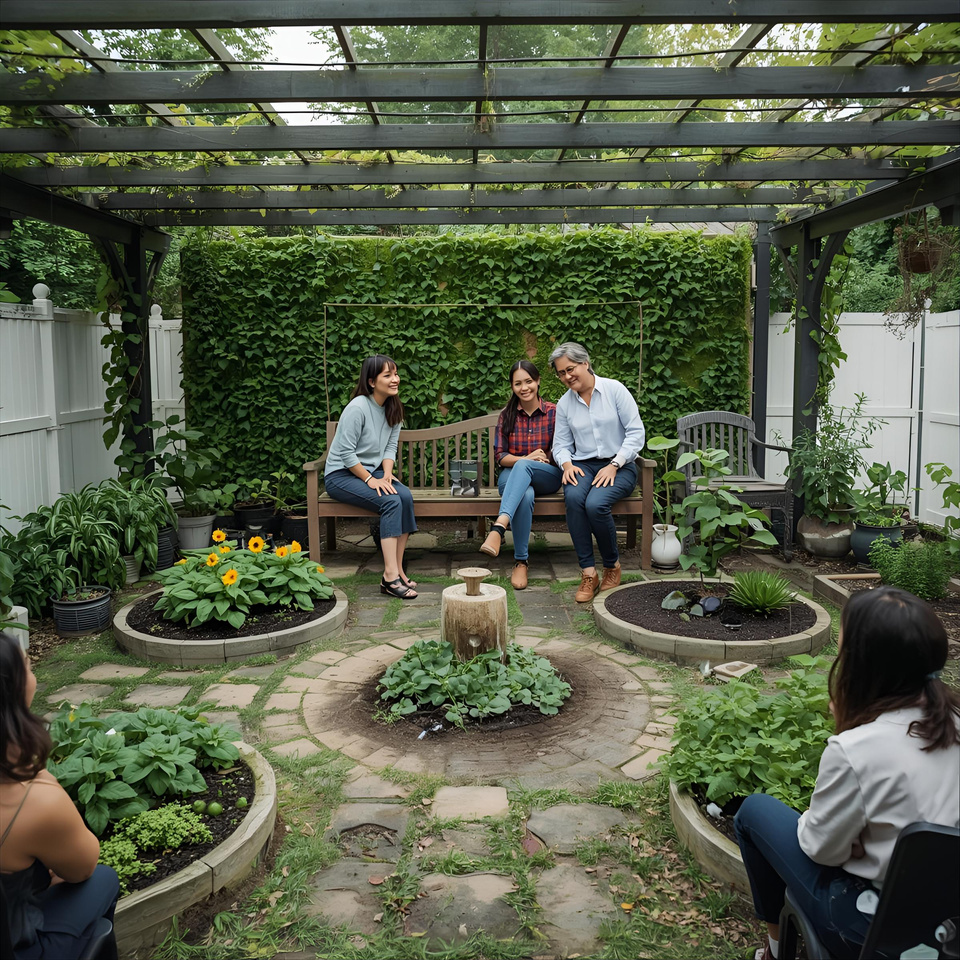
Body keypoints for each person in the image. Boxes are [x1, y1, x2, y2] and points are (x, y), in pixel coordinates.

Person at [734, 587, 960, 960]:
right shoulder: (951, 721)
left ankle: (775, 951)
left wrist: (845, 843)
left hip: (868, 928)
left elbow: (821, 850)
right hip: (948, 924)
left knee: (753, 812)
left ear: (863, 667)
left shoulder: (858, 749)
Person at [0, 630, 120, 960]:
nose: (31, 662)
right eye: (26, 662)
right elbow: (82, 866)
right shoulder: (32, 798)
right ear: (13, 687)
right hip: (20, 947)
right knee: (103, 878)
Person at [549, 342, 646, 602]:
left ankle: (612, 566)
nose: (567, 377)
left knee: (595, 504)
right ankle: (588, 573)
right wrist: (566, 464)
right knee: (573, 498)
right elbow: (560, 444)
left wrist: (615, 464)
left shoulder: (615, 390)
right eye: (561, 373)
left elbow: (636, 434)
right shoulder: (564, 404)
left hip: (620, 465)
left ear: (585, 363)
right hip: (582, 465)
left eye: (570, 369)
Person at [324, 354, 419, 599]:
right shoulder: (357, 408)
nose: (395, 379)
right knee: (390, 501)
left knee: (405, 496)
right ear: (371, 382)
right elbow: (345, 453)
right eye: (387, 375)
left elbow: (389, 448)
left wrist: (386, 475)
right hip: (341, 475)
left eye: (395, 374)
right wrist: (370, 479)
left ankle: (398, 570)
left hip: (372, 472)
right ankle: (389, 578)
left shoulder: (393, 407)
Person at [479, 361, 562, 589]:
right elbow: (500, 456)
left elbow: (561, 450)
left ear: (537, 382)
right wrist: (526, 458)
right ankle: (521, 561)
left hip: (547, 474)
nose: (524, 387)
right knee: (524, 494)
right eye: (518, 383)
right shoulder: (506, 416)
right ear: (512, 386)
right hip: (511, 474)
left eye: (528, 381)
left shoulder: (554, 412)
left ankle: (498, 528)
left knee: (524, 468)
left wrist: (536, 460)